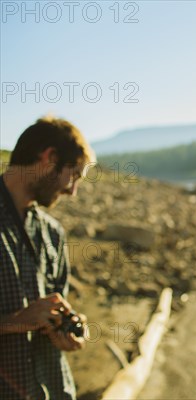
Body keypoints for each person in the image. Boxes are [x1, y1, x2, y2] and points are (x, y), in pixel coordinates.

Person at [0, 116, 95, 399]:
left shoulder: (53, 232)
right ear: (49, 157)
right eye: (73, 175)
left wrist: (69, 330)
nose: (72, 191)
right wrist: (16, 321)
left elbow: (57, 307)